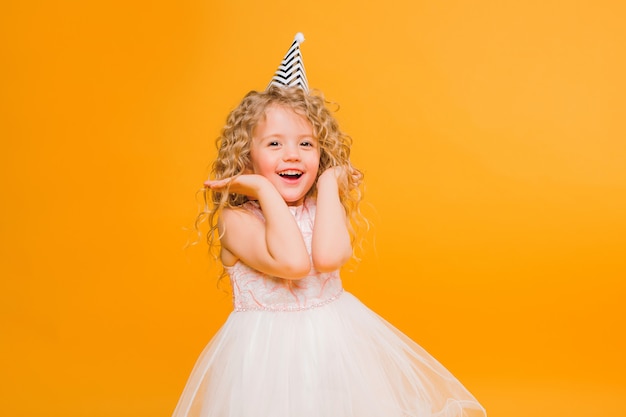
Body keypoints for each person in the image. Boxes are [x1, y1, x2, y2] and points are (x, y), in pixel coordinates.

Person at [172, 34, 486, 417]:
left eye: (307, 144)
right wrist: (261, 191)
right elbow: (292, 263)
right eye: (274, 144)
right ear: (245, 158)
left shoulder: (322, 203)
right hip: (265, 361)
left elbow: (327, 257)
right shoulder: (235, 219)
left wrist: (328, 185)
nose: (292, 154)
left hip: (334, 349)